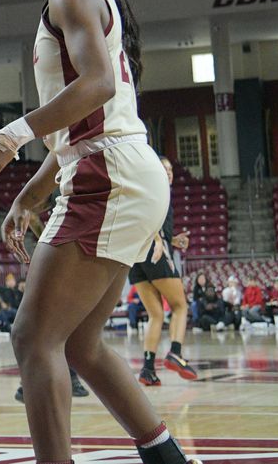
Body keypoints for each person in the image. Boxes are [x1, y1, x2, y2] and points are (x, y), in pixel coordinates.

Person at [0, 0, 200, 464]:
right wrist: (30, 192)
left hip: (109, 174)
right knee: (79, 344)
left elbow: (96, 86)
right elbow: (85, 121)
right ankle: (166, 456)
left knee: (32, 338)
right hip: (117, 167)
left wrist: (13, 134)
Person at [126, 157, 197, 385]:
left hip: (135, 256)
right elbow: (146, 219)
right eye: (163, 168)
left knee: (155, 314)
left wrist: (172, 239)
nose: (167, 172)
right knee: (180, 305)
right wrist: (159, 240)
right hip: (153, 251)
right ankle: (175, 352)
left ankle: (147, 369)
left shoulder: (146, 189)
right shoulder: (155, 190)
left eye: (170, 169)